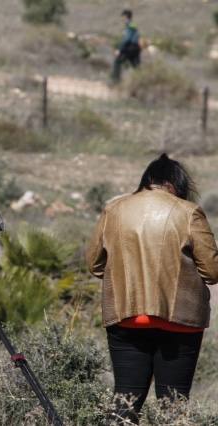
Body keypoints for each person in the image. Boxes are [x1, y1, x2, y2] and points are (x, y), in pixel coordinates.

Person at [87, 153, 218, 423]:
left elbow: (95, 265)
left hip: (126, 317)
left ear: (147, 180)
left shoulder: (114, 210)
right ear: (175, 184)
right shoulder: (189, 212)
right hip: (180, 320)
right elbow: (212, 272)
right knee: (173, 405)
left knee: (125, 401)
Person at [111, 9, 141, 83]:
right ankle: (141, 83)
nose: (122, 19)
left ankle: (115, 82)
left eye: (123, 17)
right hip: (136, 48)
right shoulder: (133, 25)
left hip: (130, 47)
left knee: (117, 61)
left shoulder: (129, 25)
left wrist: (119, 50)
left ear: (125, 17)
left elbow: (127, 39)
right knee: (136, 67)